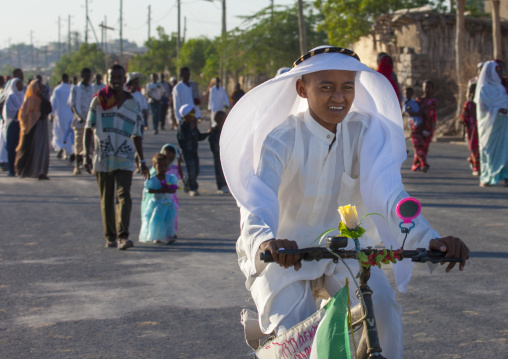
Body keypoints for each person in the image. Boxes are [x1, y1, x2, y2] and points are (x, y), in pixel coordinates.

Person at [220, 46, 469, 358]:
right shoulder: (282, 138)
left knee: (384, 310)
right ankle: (272, 336)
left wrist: (431, 239)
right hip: (286, 256)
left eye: (347, 87)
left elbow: (392, 196)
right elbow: (257, 202)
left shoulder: (367, 132)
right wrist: (266, 241)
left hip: (346, 252)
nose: (339, 97)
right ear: (302, 88)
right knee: (295, 337)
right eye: (326, 87)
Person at [83, 64, 150, 250]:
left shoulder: (132, 103)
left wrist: (142, 160)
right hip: (102, 157)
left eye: (120, 77)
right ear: (107, 78)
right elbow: (88, 128)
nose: (116, 80)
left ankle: (123, 236)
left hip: (125, 157)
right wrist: (85, 155)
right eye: (113, 77)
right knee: (106, 199)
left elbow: (137, 134)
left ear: (124, 79)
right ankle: (110, 236)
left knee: (124, 196)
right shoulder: (98, 101)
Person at [474, 61, 508, 187]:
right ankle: (486, 177)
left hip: (503, 123)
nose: (499, 73)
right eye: (497, 70)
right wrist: (497, 110)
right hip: (489, 126)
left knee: (505, 151)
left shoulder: (501, 88)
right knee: (488, 151)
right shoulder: (483, 89)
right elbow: (483, 108)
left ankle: (505, 176)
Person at [15, 80, 52, 179]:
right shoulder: (29, 100)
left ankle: (42, 171)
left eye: (40, 87)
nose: (39, 88)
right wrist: (35, 115)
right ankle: (34, 171)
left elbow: (48, 109)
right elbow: (23, 115)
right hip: (32, 127)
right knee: (35, 149)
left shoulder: (43, 99)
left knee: (43, 149)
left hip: (42, 126)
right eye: (37, 86)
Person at [139, 153, 178, 244]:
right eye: (160, 166)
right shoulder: (152, 180)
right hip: (156, 204)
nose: (163, 168)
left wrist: (169, 189)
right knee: (156, 220)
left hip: (168, 204)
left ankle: (169, 235)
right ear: (155, 166)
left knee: (169, 220)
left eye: (165, 166)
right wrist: (159, 190)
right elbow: (148, 190)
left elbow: (174, 189)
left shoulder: (170, 178)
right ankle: (156, 236)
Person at [177, 104, 209, 197]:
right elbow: (182, 140)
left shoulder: (193, 124)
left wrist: (208, 133)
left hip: (194, 151)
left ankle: (187, 182)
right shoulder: (182, 127)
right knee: (191, 170)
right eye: (192, 114)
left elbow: (198, 137)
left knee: (196, 170)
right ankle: (193, 188)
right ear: (186, 116)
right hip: (186, 152)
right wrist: (190, 131)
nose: (194, 116)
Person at [69, 68, 94, 175]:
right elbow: (72, 104)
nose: (88, 77)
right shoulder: (76, 88)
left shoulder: (92, 88)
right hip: (80, 121)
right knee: (79, 143)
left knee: (91, 144)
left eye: (89, 75)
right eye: (86, 75)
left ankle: (90, 165)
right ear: (82, 76)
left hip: (91, 120)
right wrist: (78, 116)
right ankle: (77, 166)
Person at [0, 69, 24, 171]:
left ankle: (18, 167)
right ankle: (10, 168)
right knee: (11, 146)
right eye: (18, 84)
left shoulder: (23, 95)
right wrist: (20, 113)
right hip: (12, 124)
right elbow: (9, 111)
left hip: (21, 124)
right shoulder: (10, 96)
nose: (20, 86)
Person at [126, 72, 149, 173]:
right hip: (128, 124)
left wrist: (145, 121)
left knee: (138, 144)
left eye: (137, 83)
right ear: (130, 84)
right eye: (134, 83)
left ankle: (138, 163)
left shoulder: (140, 95)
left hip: (139, 123)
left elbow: (144, 109)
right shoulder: (126, 96)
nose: (136, 85)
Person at [403, 87, 428, 172]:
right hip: (413, 125)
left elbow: (416, 112)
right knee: (417, 145)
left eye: (409, 93)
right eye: (406, 93)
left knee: (417, 146)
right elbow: (405, 113)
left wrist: (413, 112)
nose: (407, 95)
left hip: (417, 124)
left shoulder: (413, 102)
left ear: (412, 94)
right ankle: (415, 164)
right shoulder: (405, 103)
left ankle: (423, 163)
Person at [414, 80, 437, 172]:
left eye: (429, 87)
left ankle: (417, 164)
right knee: (418, 146)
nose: (427, 89)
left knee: (424, 147)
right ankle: (423, 164)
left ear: (432, 89)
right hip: (418, 127)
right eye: (425, 87)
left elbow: (431, 114)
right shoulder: (418, 100)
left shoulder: (433, 101)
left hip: (428, 127)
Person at [50, 74, 74, 160]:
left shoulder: (57, 89)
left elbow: (53, 102)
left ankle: (61, 148)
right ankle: (69, 151)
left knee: (60, 133)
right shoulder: (71, 88)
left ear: (61, 79)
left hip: (60, 114)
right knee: (69, 134)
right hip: (70, 114)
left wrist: (51, 114)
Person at [458, 83, 480, 176]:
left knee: (479, 149)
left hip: (480, 130)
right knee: (475, 149)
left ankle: (474, 163)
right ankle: (476, 167)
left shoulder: (481, 103)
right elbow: (462, 119)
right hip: (471, 131)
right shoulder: (468, 104)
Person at [209, 110, 228, 194]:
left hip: (226, 154)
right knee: (219, 170)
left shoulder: (226, 129)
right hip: (218, 154)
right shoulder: (214, 131)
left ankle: (226, 184)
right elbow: (212, 143)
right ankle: (220, 186)